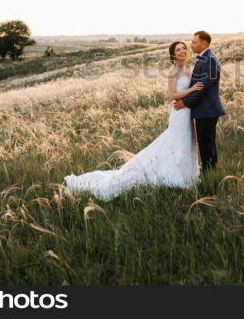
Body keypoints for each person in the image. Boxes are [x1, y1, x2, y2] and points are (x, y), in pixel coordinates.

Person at [63, 41, 203, 200]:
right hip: (179, 112)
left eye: (184, 48)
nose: (182, 51)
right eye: (178, 50)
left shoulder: (185, 68)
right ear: (173, 54)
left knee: (186, 142)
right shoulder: (173, 71)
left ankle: (186, 174)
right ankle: (176, 176)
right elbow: (172, 95)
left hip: (186, 112)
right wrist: (192, 89)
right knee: (176, 141)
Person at [173, 30, 226, 172]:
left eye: (194, 42)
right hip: (204, 109)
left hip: (207, 110)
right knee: (208, 143)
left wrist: (184, 102)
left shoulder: (210, 60)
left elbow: (202, 87)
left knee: (205, 144)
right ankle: (212, 171)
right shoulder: (204, 58)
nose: (191, 45)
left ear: (204, 44)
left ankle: (209, 173)